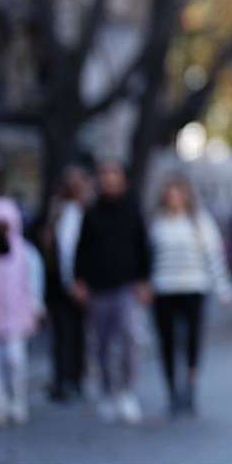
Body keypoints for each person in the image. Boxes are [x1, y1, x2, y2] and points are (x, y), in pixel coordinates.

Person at [147, 175, 232, 417]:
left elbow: (214, 256)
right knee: (166, 341)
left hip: (193, 286)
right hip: (163, 288)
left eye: (177, 193)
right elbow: (146, 257)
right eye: (169, 193)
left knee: (192, 339)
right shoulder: (156, 222)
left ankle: (190, 386)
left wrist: (224, 289)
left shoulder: (199, 221)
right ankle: (171, 391)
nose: (173, 198)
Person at [73, 159, 152, 425]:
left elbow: (143, 246)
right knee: (102, 344)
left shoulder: (133, 210)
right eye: (104, 174)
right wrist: (79, 280)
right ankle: (108, 392)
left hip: (126, 286)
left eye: (113, 174)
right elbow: (81, 249)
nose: (108, 179)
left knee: (131, 338)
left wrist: (144, 280)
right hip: (98, 288)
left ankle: (127, 391)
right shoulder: (92, 212)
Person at [0, 197, 44, 427]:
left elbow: (34, 278)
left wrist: (36, 305)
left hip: (16, 313)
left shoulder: (24, 250)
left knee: (14, 359)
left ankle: (18, 399)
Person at [34, 164, 91, 403]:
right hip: (56, 281)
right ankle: (61, 379)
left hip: (80, 281)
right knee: (59, 333)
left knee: (77, 332)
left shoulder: (88, 211)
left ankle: (76, 378)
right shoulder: (54, 210)